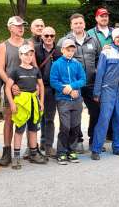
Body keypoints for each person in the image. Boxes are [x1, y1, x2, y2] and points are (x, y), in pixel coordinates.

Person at [58, 13, 101, 152]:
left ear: (84, 24)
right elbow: (59, 62)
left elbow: (99, 60)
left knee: (95, 112)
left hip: (91, 83)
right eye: (75, 23)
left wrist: (96, 73)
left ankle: (94, 139)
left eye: (80, 23)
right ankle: (78, 140)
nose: (78, 25)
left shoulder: (93, 40)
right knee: (74, 114)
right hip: (73, 86)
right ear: (71, 25)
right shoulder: (64, 41)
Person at [90, 28, 119, 160]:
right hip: (107, 89)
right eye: (117, 37)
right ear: (113, 39)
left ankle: (118, 147)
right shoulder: (107, 52)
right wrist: (97, 92)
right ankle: (96, 149)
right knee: (104, 118)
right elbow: (100, 73)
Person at [0, 16, 34, 166]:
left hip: (28, 89)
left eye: (22, 26)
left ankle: (32, 150)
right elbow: (0, 68)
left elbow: (34, 65)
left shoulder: (29, 43)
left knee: (30, 120)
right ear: (10, 27)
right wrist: (10, 84)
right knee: (9, 120)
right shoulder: (4, 46)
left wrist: (37, 86)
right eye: (18, 26)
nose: (21, 28)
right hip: (11, 88)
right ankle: (6, 152)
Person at [6, 44, 46, 169]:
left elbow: (41, 86)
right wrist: (12, 103)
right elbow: (8, 88)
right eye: (25, 54)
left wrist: (41, 101)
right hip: (21, 103)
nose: (28, 57)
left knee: (33, 128)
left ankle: (33, 153)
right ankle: (16, 156)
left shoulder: (35, 70)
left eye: (30, 54)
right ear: (20, 55)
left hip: (34, 102)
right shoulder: (16, 70)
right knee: (19, 129)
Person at [50, 39, 86, 165]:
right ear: (62, 50)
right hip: (63, 100)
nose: (70, 52)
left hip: (76, 100)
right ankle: (61, 152)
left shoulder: (77, 64)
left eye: (72, 50)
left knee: (75, 127)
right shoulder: (57, 64)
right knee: (65, 127)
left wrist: (72, 86)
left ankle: (72, 150)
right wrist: (66, 89)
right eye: (67, 50)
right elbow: (53, 81)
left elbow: (83, 79)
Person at [35, 26, 62, 157]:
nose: (49, 38)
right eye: (46, 36)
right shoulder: (35, 50)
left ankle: (48, 146)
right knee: (37, 118)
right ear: (42, 37)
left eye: (52, 36)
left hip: (52, 88)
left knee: (49, 118)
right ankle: (37, 144)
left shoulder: (58, 51)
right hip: (38, 87)